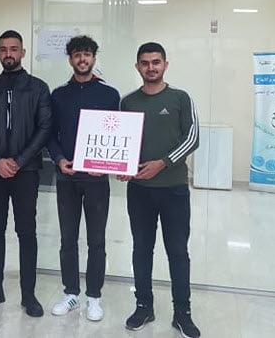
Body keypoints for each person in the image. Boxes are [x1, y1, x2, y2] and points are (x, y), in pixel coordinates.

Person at [0, 30, 52, 317]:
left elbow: (44, 128)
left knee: (26, 231)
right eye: (3, 49)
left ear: (23, 52)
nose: (8, 54)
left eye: (13, 49)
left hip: (26, 171)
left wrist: (18, 161)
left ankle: (29, 294)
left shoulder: (38, 88)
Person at [119, 42, 200, 338]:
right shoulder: (128, 102)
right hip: (139, 191)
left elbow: (192, 138)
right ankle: (144, 306)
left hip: (173, 189)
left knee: (177, 251)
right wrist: (122, 166)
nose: (150, 67)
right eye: (145, 62)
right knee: (141, 249)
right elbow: (122, 142)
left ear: (165, 64)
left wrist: (162, 163)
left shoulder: (180, 98)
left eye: (156, 62)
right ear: (137, 67)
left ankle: (182, 313)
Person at [47, 35, 120, 321]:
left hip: (96, 179)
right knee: (67, 239)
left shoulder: (109, 94)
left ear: (94, 58)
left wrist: (107, 165)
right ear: (70, 59)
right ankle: (71, 293)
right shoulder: (58, 95)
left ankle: (94, 297)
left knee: (96, 240)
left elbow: (117, 136)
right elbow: (50, 134)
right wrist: (59, 159)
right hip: (67, 177)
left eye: (87, 54)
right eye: (77, 54)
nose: (82, 59)